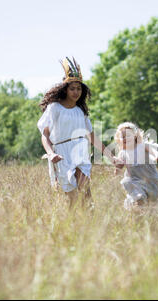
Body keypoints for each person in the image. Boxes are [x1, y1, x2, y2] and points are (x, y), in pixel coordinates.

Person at [37, 57, 121, 208]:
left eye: (79, 88)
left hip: (80, 150)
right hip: (61, 152)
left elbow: (92, 137)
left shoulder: (80, 111)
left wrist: (112, 157)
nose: (76, 92)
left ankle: (91, 220)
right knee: (72, 199)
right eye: (72, 88)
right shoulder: (55, 107)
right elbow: (45, 135)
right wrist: (50, 153)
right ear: (65, 89)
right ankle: (73, 226)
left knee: (85, 190)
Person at [114, 122, 158, 210]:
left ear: (135, 136)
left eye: (128, 135)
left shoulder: (142, 146)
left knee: (152, 205)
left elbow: (153, 151)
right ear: (120, 139)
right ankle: (138, 211)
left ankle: (148, 212)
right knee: (139, 197)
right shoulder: (122, 153)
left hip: (151, 180)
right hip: (135, 181)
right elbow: (119, 167)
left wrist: (157, 156)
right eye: (123, 136)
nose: (125, 138)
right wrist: (117, 170)